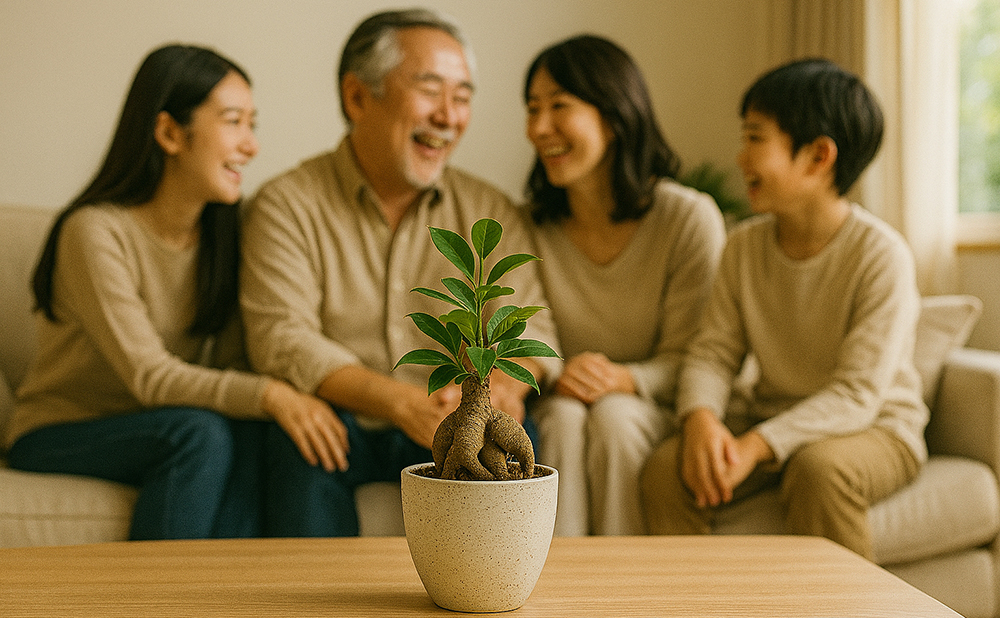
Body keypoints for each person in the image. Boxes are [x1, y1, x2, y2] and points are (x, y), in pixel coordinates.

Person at [2, 45, 347, 540]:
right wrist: (271, 394)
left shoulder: (224, 235)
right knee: (198, 433)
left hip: (161, 425)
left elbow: (232, 360)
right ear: (168, 132)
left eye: (253, 125)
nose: (250, 145)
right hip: (59, 431)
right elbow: (149, 377)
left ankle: (238, 602)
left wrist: (280, 400)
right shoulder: (95, 232)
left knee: (256, 433)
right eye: (233, 122)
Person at [240, 8, 560, 537]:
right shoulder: (287, 203)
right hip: (343, 418)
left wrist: (496, 392)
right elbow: (281, 337)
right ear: (358, 97)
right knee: (294, 443)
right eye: (431, 90)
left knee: (510, 439)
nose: (449, 116)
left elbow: (533, 331)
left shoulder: (489, 210)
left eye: (462, 98)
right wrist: (399, 401)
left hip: (458, 416)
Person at [639, 58, 927, 559]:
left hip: (878, 428)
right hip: (775, 417)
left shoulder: (881, 255)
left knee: (819, 469)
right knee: (667, 470)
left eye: (755, 138)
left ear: (818, 156)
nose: (739, 155)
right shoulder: (743, 248)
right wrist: (701, 418)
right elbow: (713, 353)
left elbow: (858, 393)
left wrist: (755, 445)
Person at [521, 35, 726, 536]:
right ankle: (549, 589)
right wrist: (558, 373)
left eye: (559, 106)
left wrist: (624, 379)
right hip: (561, 403)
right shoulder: (528, 225)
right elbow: (527, 337)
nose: (538, 128)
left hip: (650, 410)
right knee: (567, 417)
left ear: (613, 118)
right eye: (532, 109)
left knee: (614, 416)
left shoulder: (688, 218)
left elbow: (700, 355)